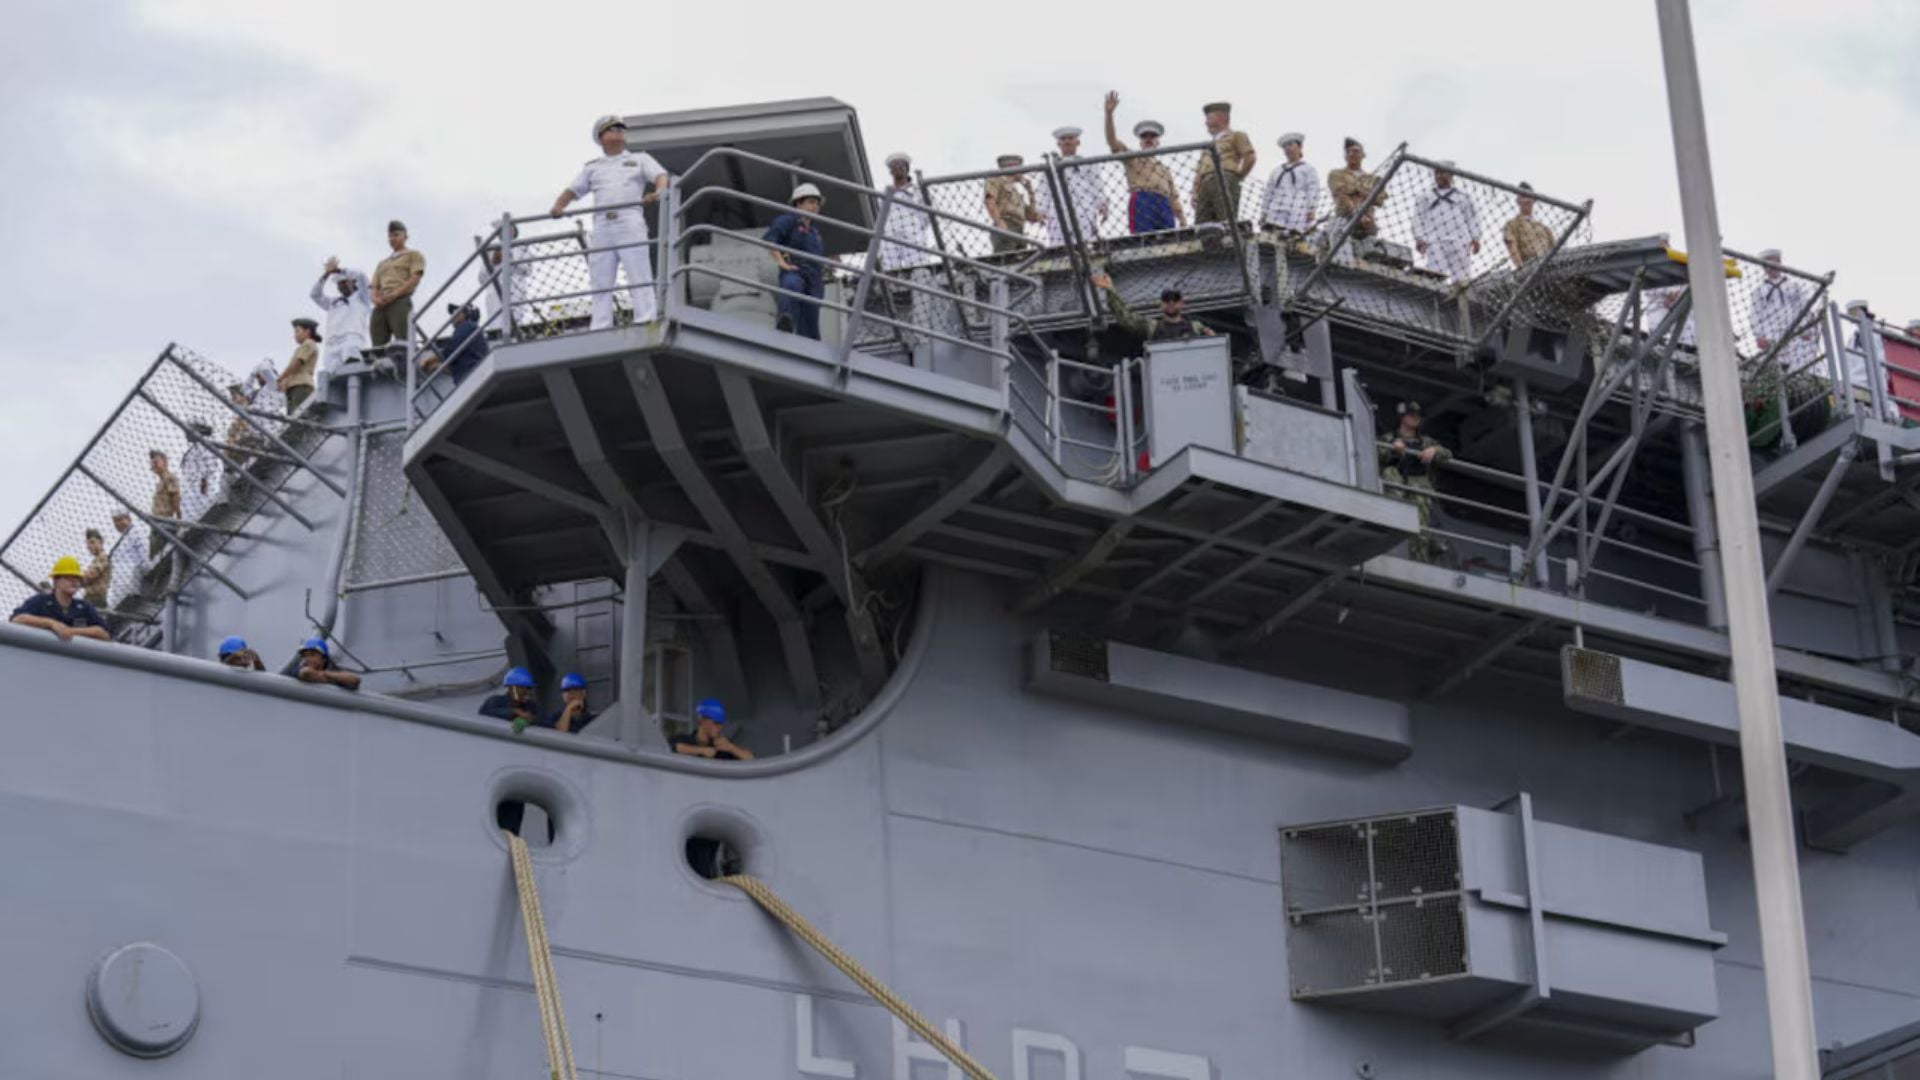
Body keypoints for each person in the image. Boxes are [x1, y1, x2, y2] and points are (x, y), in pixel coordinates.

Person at [550, 114, 670, 330]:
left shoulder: (640, 159)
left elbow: (661, 175)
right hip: (603, 225)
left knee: (638, 271)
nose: (618, 132)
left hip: (629, 221)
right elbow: (572, 190)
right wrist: (559, 206)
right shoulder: (593, 168)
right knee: (600, 278)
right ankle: (601, 324)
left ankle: (645, 318)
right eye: (612, 129)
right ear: (601, 137)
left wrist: (659, 192)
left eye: (620, 129)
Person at [1102, 92, 1185, 235]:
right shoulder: (1132, 158)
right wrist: (1109, 115)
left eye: (1152, 136)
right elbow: (1113, 142)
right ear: (1140, 142)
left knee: (1170, 240)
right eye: (1144, 136)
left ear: (1157, 141)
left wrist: (1183, 220)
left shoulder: (1164, 169)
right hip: (1143, 199)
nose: (1148, 139)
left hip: (1164, 204)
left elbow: (1174, 199)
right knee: (1144, 241)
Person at [1379, 401, 1451, 563]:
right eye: (1412, 415)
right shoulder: (1389, 438)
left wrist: (1434, 450)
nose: (1415, 418)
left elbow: (1447, 455)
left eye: (1418, 415)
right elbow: (1378, 455)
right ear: (1403, 417)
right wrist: (1393, 448)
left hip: (1418, 486)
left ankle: (1421, 561)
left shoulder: (1425, 442)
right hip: (1397, 483)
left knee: (1421, 530)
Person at [766, 183, 829, 340]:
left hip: (814, 279)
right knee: (791, 286)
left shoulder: (815, 232)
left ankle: (812, 350)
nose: (815, 207)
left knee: (811, 321)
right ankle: (785, 323)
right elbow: (771, 240)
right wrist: (781, 262)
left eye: (817, 203)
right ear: (798, 203)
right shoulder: (788, 220)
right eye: (811, 202)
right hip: (795, 269)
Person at [1092, 271, 1215, 342]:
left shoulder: (1196, 327)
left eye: (1175, 299)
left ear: (1182, 304)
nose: (1171, 302)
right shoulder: (1152, 326)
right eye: (1166, 300)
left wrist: (1211, 337)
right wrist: (1110, 290)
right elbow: (1126, 318)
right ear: (1160, 305)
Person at [10, 557, 112, 642]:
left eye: (77, 578)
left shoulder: (84, 607)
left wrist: (71, 631)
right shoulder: (41, 601)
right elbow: (18, 619)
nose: (74, 582)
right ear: (56, 581)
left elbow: (104, 633)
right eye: (68, 578)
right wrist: (51, 624)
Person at [1413, 161, 1482, 283]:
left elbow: (1472, 218)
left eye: (1442, 172)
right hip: (1434, 241)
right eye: (1436, 173)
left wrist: (1475, 238)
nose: (1439, 176)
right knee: (1435, 276)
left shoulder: (1463, 197)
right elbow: (1418, 218)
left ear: (1451, 175)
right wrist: (1419, 238)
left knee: (1462, 278)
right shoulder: (1425, 196)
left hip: (1460, 241)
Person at [1192, 101, 1256, 225]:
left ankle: (1229, 240)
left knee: (1225, 219)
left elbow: (1250, 157)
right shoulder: (1207, 146)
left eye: (1209, 118)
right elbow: (1199, 170)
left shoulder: (1236, 136)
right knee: (1202, 223)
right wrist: (1195, 191)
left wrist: (1237, 176)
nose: (1206, 122)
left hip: (1224, 178)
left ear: (1222, 117)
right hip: (1205, 183)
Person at [1044, 126, 1109, 246]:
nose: (1067, 141)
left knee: (1084, 241)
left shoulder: (1088, 163)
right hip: (1058, 208)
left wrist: (1102, 203)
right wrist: (1041, 209)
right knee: (1058, 243)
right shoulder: (1050, 167)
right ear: (1058, 143)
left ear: (1077, 142)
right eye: (1063, 139)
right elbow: (1044, 190)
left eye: (1070, 138)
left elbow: (1096, 184)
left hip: (1084, 207)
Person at [369, 221, 426, 352]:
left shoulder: (413, 255)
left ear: (405, 236)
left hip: (400, 301)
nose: (392, 239)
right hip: (381, 304)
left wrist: (395, 294)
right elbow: (374, 286)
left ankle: (408, 370)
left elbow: (415, 277)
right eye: (390, 236)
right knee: (377, 346)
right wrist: (375, 299)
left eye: (396, 235)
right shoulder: (382, 263)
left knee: (404, 342)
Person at [310, 258, 371, 376]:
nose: (341, 286)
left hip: (351, 338)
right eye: (339, 284)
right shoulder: (333, 302)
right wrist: (326, 275)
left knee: (352, 369)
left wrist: (339, 270)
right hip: (332, 342)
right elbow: (315, 295)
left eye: (344, 282)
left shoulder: (363, 299)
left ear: (353, 282)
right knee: (331, 377)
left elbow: (362, 276)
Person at [876, 152, 932, 273]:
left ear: (907, 169)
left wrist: (917, 227)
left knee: (919, 269)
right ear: (890, 171)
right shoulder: (884, 195)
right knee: (890, 271)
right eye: (894, 166)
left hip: (912, 234)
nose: (897, 168)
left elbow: (928, 215)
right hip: (890, 235)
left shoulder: (918, 191)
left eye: (901, 165)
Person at [1259, 133, 1320, 234]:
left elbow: (1313, 189)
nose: (1287, 148)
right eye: (1285, 146)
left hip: (1297, 211)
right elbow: (1268, 192)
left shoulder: (1308, 169)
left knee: (1293, 239)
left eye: (1291, 145)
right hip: (1276, 210)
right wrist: (1264, 212)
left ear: (1300, 147)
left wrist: (1312, 208)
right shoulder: (1277, 170)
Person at [982, 154, 1041, 255]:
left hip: (1019, 228)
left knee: (1022, 259)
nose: (1022, 172)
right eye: (1020, 167)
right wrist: (999, 221)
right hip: (1006, 223)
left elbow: (1031, 216)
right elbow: (990, 200)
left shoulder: (1015, 192)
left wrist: (1030, 192)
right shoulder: (996, 180)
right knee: (1006, 259)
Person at [418, 303, 491, 384]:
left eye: (456, 312)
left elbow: (450, 350)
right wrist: (436, 366)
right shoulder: (471, 329)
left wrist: (427, 361)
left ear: (465, 314)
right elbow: (457, 366)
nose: (452, 316)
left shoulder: (467, 326)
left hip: (473, 375)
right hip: (475, 374)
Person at [1327, 138, 1384, 240]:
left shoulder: (1372, 179)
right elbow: (1341, 194)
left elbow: (1380, 200)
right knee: (1338, 241)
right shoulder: (1336, 174)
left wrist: (1358, 191)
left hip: (1368, 222)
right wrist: (1358, 215)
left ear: (1363, 155)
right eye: (1348, 152)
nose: (1351, 154)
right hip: (1344, 218)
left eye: (1355, 151)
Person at [671, 698, 754, 760]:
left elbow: (751, 759)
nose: (720, 727)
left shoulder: (721, 749)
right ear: (702, 721)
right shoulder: (684, 740)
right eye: (716, 723)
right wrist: (701, 751)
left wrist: (731, 747)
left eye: (721, 724)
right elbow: (670, 747)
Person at [1502, 182, 1555, 267]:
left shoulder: (1545, 228)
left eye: (1529, 196)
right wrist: (1521, 268)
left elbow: (1554, 248)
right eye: (1523, 196)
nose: (1527, 200)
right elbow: (1512, 246)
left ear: (1534, 200)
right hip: (1529, 266)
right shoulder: (1512, 225)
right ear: (1518, 200)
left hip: (1548, 266)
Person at [178, 422, 222, 523]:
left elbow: (212, 466)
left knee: (198, 506)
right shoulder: (194, 448)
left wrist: (203, 480)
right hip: (192, 486)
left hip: (202, 484)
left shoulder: (205, 445)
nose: (186, 433)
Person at [278, 318, 321, 413]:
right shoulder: (301, 347)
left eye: (298, 331)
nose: (295, 335)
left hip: (302, 386)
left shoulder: (309, 343)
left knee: (298, 417)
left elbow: (297, 363)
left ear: (307, 331)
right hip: (294, 387)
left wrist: (281, 378)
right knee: (293, 421)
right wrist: (285, 382)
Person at [106, 509, 147, 608]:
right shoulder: (120, 542)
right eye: (115, 521)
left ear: (128, 519)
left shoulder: (136, 532)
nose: (117, 524)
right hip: (119, 590)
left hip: (132, 583)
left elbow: (144, 555)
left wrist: (146, 570)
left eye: (120, 520)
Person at [481, 667, 542, 734]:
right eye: (522, 688)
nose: (527, 692)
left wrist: (532, 719)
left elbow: (542, 718)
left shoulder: (531, 706)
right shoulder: (495, 701)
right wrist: (514, 712)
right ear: (511, 688)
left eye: (529, 688)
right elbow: (487, 711)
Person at [288, 636, 361, 691]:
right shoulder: (297, 669)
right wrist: (333, 680)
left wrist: (326, 674)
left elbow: (355, 680)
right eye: (304, 656)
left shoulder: (333, 670)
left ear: (324, 659)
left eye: (312, 655)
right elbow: (306, 673)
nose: (307, 659)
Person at [147, 449, 179, 557]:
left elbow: (175, 497)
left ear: (164, 461)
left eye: (156, 462)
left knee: (155, 554)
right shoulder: (160, 483)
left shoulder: (169, 477)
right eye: (152, 463)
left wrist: (179, 518)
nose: (153, 466)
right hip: (157, 522)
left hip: (165, 521)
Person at [81, 528, 112, 609]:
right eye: (88, 543)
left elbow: (90, 575)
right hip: (91, 598)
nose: (89, 546)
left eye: (92, 542)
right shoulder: (96, 560)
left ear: (101, 542)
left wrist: (72, 578)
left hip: (96, 600)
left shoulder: (103, 557)